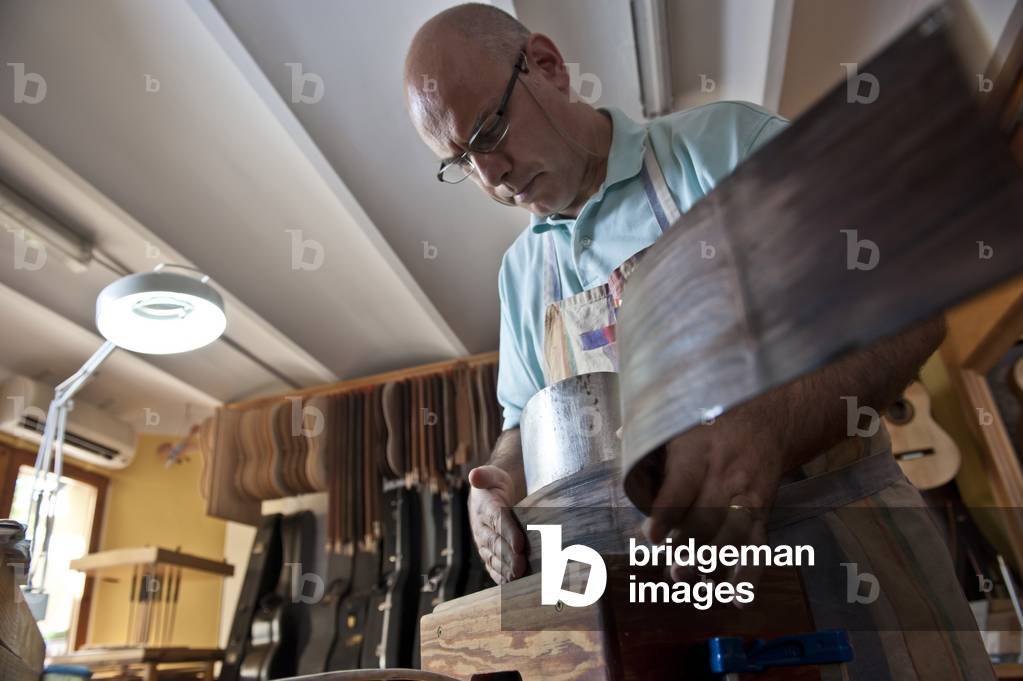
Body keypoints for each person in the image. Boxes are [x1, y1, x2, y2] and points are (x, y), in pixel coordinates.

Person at [404, 5, 993, 679]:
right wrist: (501, 483)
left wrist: (770, 427)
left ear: (547, 65)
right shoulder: (519, 276)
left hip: (845, 560)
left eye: (490, 129)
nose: (491, 176)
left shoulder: (724, 147)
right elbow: (520, 424)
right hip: (668, 622)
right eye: (459, 161)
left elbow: (910, 298)